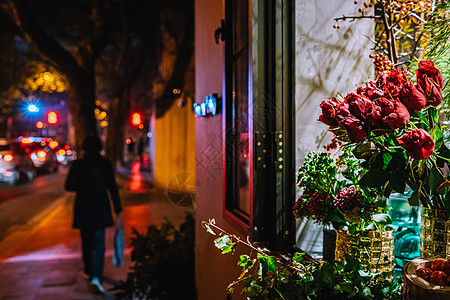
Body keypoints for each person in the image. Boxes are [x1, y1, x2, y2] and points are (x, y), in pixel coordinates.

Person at [65, 135, 122, 294]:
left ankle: (88, 270)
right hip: (100, 207)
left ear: (83, 148)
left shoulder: (77, 165)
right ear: (100, 148)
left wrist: (81, 185)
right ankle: (96, 275)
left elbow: (69, 186)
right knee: (99, 243)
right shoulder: (105, 164)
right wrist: (117, 207)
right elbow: (112, 187)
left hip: (83, 208)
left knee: (86, 241)